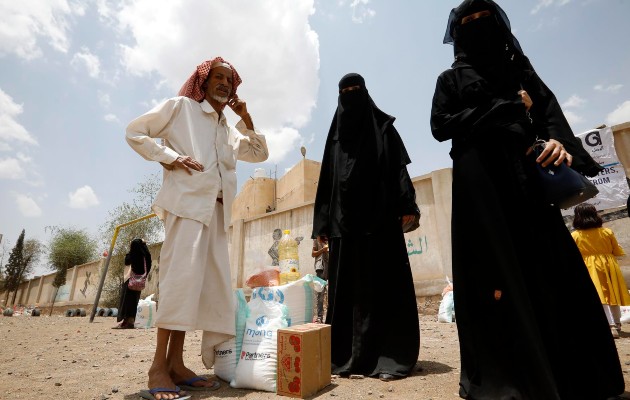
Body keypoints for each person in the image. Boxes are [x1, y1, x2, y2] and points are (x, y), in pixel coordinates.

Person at [430, 1, 624, 398]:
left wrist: (558, 142)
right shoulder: (449, 80)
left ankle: (573, 373)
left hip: (526, 178)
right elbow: (440, 126)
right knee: (492, 266)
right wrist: (506, 107)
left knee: (547, 262)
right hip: (480, 185)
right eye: (468, 22)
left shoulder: (520, 69)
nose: (478, 26)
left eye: (485, 18)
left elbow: (550, 113)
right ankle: (507, 376)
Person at [126, 57, 268, 399]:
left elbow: (259, 153)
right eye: (218, 77)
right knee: (179, 283)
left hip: (217, 216)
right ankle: (158, 367)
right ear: (202, 83)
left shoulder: (227, 129)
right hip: (187, 207)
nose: (224, 83)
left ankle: (177, 364)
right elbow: (134, 132)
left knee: (199, 289)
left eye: (230, 80)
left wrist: (245, 118)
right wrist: (171, 158)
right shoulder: (181, 108)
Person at [312, 73, 420, 382]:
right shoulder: (335, 140)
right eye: (344, 91)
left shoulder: (384, 130)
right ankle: (348, 357)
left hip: (381, 223)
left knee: (383, 288)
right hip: (344, 228)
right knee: (347, 293)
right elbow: (327, 184)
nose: (350, 95)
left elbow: (399, 169)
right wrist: (322, 223)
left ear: (365, 93)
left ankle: (388, 357)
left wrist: (406, 206)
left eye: (354, 90)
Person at [572, 203, 630, 339]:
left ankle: (610, 325)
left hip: (589, 267)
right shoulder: (607, 232)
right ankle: (617, 323)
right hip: (609, 264)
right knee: (612, 293)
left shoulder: (575, 235)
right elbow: (616, 251)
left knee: (600, 295)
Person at [113, 238, 151, 329]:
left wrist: (129, 251)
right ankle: (131, 321)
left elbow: (127, 261)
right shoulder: (146, 256)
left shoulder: (134, 254)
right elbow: (148, 266)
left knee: (126, 302)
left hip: (130, 281)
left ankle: (125, 323)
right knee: (134, 302)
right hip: (139, 283)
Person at [311, 236, 329, 323]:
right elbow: (313, 253)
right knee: (320, 292)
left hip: (330, 266)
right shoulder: (317, 238)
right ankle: (319, 316)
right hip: (320, 267)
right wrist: (323, 250)